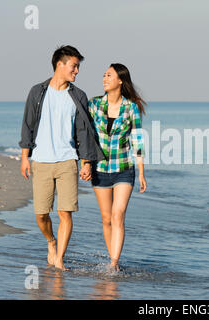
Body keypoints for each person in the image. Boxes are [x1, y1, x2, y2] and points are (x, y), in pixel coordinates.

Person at [19, 45, 105, 271]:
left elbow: (84, 131)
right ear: (60, 64)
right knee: (41, 215)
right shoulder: (37, 92)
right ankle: (51, 241)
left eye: (78, 67)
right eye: (74, 66)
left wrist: (86, 162)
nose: (77, 71)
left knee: (65, 212)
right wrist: (25, 157)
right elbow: (27, 125)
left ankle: (59, 260)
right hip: (41, 160)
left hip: (68, 161)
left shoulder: (78, 96)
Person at [88, 63, 147, 272]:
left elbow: (137, 140)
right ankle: (112, 256)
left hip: (124, 168)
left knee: (117, 215)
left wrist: (141, 171)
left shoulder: (130, 107)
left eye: (109, 75)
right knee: (106, 219)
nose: (104, 78)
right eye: (104, 75)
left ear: (120, 81)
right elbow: (85, 135)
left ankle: (113, 264)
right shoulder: (94, 105)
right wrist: (85, 162)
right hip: (100, 169)